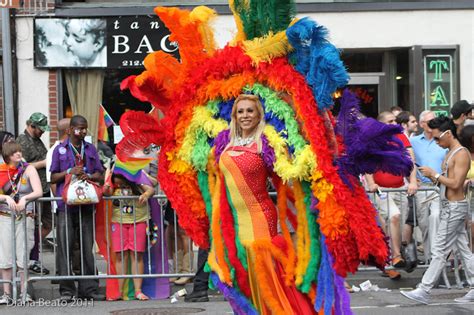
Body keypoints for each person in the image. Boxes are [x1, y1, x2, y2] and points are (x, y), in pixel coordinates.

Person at [211, 94, 315, 314]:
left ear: (259, 114)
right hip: (233, 221)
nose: (245, 115)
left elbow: (287, 175)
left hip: (260, 216)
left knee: (263, 275)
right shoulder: (224, 141)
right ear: (234, 115)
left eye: (250, 111)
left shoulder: (267, 142)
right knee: (242, 274)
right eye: (241, 111)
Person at [401, 116, 474, 304]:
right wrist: (434, 176)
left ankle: (424, 289)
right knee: (464, 250)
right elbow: (447, 182)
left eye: (437, 138)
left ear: (448, 134)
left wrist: (434, 174)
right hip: (449, 206)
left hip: (455, 208)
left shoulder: (461, 153)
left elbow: (456, 184)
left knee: (440, 249)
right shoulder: (450, 152)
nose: (436, 142)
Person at [50, 115, 104, 302]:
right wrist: (69, 172)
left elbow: (100, 174)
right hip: (66, 206)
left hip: (86, 205)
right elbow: (52, 178)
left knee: (86, 248)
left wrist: (88, 175)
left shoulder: (90, 149)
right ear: (69, 130)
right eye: (79, 128)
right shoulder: (60, 150)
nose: (82, 132)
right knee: (65, 247)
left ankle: (89, 289)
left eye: (85, 128)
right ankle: (67, 291)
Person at [365, 111, 417, 279]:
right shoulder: (373, 140)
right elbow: (366, 163)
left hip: (400, 187)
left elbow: (410, 162)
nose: (395, 123)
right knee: (394, 216)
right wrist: (371, 182)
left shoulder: (401, 137)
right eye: (391, 121)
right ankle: (395, 256)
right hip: (381, 190)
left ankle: (391, 259)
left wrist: (413, 181)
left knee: (395, 224)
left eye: (395, 120)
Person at [0, 142, 43, 304]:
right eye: (13, 153)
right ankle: (7, 294)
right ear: (7, 156)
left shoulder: (28, 169)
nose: (18, 154)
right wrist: (5, 197)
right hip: (4, 216)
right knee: (5, 256)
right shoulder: (1, 170)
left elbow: (38, 191)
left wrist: (25, 198)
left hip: (25, 217)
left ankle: (25, 292)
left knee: (23, 254)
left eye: (19, 151)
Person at [103, 172, 154, 301]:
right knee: (120, 255)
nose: (119, 185)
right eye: (118, 184)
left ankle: (138, 291)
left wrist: (146, 194)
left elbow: (151, 188)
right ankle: (120, 291)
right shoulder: (113, 176)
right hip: (118, 221)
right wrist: (108, 178)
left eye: (122, 183)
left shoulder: (138, 175)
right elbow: (106, 192)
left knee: (137, 255)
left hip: (138, 220)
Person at [407, 110, 447, 262]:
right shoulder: (413, 141)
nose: (433, 124)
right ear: (422, 124)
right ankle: (431, 261)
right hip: (422, 188)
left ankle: (438, 259)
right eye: (429, 121)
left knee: (436, 217)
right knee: (424, 226)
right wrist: (411, 180)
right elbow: (407, 162)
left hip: (439, 186)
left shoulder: (442, 140)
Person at [16, 113, 51, 275]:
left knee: (48, 224)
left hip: (43, 189)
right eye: (40, 129)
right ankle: (30, 258)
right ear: (31, 125)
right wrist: (43, 163)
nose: (42, 132)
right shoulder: (21, 141)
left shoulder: (37, 140)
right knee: (33, 227)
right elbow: (20, 167)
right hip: (32, 192)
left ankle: (31, 255)